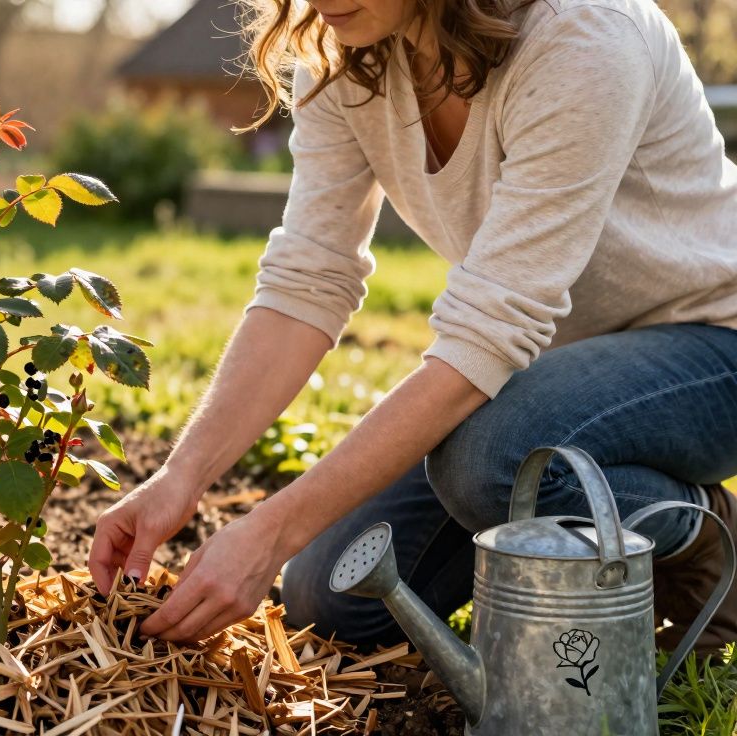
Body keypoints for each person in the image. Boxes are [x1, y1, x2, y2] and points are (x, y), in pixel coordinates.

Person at [87, 0, 737, 650]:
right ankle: (573, 523)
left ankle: (700, 531)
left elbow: (486, 335)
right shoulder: (342, 52)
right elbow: (309, 279)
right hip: (558, 373)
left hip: (713, 344)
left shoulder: (584, 37)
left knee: (491, 459)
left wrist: (271, 531)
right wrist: (181, 477)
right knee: (333, 596)